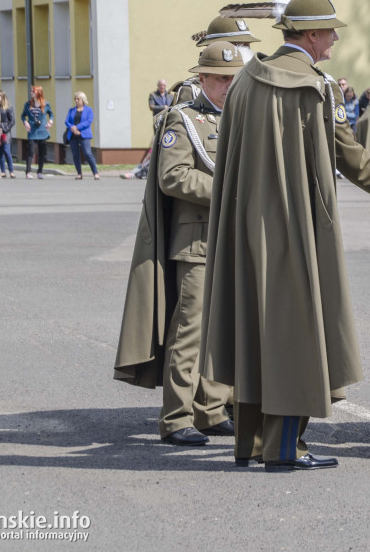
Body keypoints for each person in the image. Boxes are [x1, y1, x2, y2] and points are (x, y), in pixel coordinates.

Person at [199, 0, 370, 472]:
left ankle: (252, 443)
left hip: (245, 227)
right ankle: (286, 446)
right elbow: (349, 155)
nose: (335, 38)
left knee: (255, 330)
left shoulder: (244, 82)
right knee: (297, 332)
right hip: (294, 226)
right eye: (329, 30)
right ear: (308, 35)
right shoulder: (314, 87)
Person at [114, 41, 243, 446]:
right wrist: (229, 189)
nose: (227, 86)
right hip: (198, 241)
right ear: (202, 78)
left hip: (234, 242)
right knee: (190, 333)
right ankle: (176, 418)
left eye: (233, 79)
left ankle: (211, 409)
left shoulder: (241, 118)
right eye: (220, 79)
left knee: (227, 332)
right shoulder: (183, 120)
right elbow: (173, 177)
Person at [65, 92, 100, 180]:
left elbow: (89, 121)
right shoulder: (71, 110)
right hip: (73, 135)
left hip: (84, 134)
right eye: (75, 99)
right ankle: (79, 173)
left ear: (83, 100)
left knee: (88, 153)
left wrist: (77, 127)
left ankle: (95, 172)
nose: (76, 101)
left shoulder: (89, 110)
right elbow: (67, 121)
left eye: (78, 99)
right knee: (75, 154)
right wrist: (72, 128)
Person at [21, 86, 54, 179]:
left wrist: (50, 121)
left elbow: (51, 114)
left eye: (33, 91)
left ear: (38, 93)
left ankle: (40, 171)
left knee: (42, 152)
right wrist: (25, 122)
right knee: (30, 152)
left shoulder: (46, 104)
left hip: (43, 131)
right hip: (32, 131)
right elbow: (23, 116)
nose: (31, 92)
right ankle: (28, 172)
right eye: (31, 91)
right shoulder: (28, 104)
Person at [0, 91, 16, 178]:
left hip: (5, 132)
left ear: (3, 97)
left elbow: (12, 121)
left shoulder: (8, 107)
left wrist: (5, 128)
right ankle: (3, 171)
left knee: (7, 151)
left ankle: (11, 171)